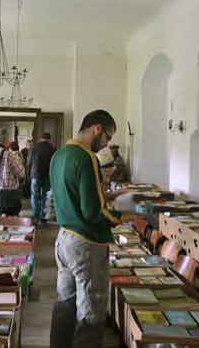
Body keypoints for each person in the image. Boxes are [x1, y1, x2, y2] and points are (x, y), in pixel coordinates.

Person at [49, 109, 126, 348]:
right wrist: (120, 216)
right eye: (107, 138)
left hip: (63, 239)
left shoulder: (59, 155)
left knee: (65, 305)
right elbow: (94, 212)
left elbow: (68, 197)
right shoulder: (85, 157)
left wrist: (105, 196)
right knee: (91, 310)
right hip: (86, 243)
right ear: (97, 129)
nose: (106, 145)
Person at [28, 132, 56, 225]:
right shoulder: (53, 148)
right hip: (47, 175)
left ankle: (36, 216)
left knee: (34, 195)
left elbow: (29, 161)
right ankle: (43, 217)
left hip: (35, 174)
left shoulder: (34, 147)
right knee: (45, 196)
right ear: (49, 139)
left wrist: (29, 174)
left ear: (41, 138)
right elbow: (54, 163)